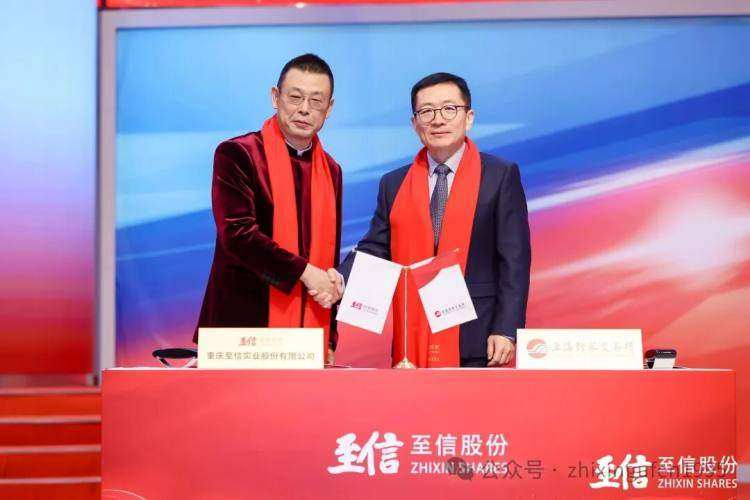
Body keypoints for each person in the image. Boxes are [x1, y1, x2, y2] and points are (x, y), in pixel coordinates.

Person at [340, 72, 530, 368]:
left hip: (478, 335)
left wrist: (506, 329)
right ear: (415, 123)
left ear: (469, 118)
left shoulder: (499, 175)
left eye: (449, 109)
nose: (438, 120)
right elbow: (376, 249)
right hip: (413, 335)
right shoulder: (394, 183)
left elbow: (514, 260)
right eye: (427, 111)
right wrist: (337, 280)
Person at [195, 54, 344, 364]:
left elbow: (328, 257)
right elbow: (238, 236)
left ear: (329, 108)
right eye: (295, 97)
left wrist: (329, 336)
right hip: (241, 331)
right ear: (276, 97)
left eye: (316, 101)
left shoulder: (331, 171)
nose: (304, 109)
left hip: (307, 336)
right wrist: (305, 272)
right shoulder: (238, 154)